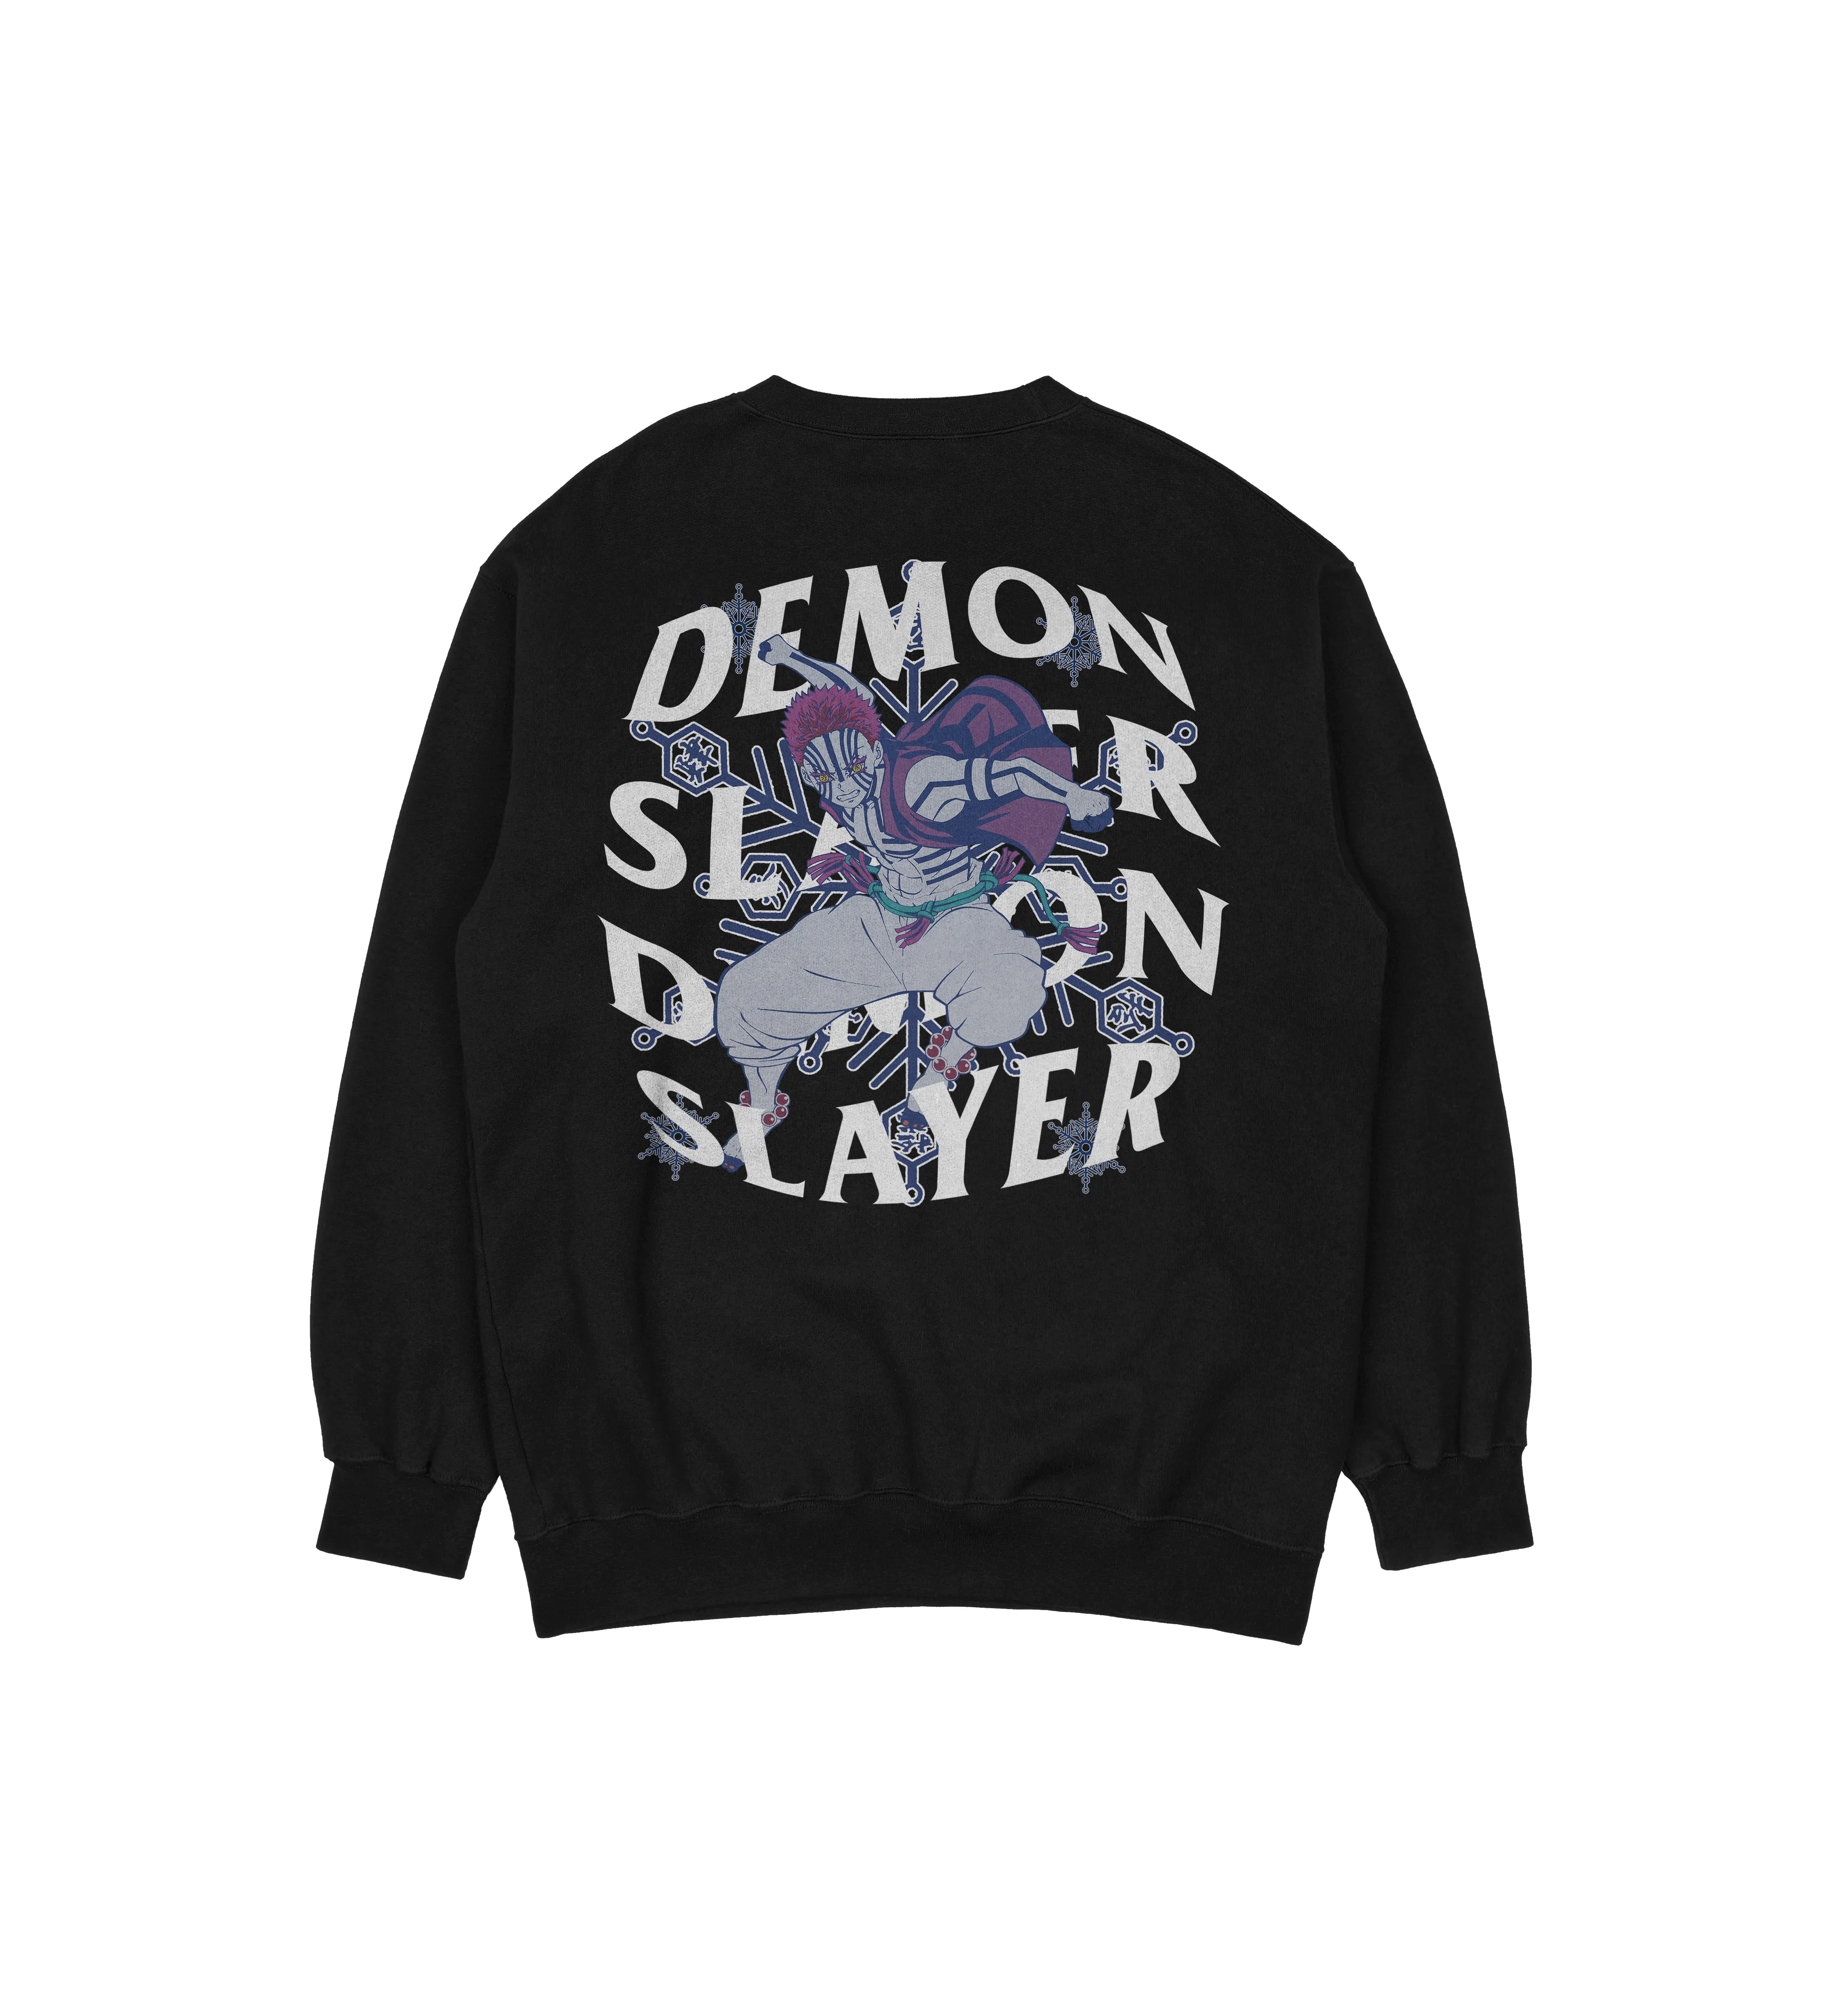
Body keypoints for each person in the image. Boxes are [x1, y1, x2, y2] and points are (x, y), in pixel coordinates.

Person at [715, 634, 1110, 1165]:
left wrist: (1075, 796)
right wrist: (791, 659)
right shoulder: (845, 761)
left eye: (854, 768)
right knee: (746, 993)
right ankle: (763, 1105)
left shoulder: (922, 782)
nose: (844, 787)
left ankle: (938, 1074)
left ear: (874, 748)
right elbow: (842, 689)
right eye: (825, 777)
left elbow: (1015, 774)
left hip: (955, 924)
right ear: (806, 769)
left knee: (1011, 985)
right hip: (881, 920)